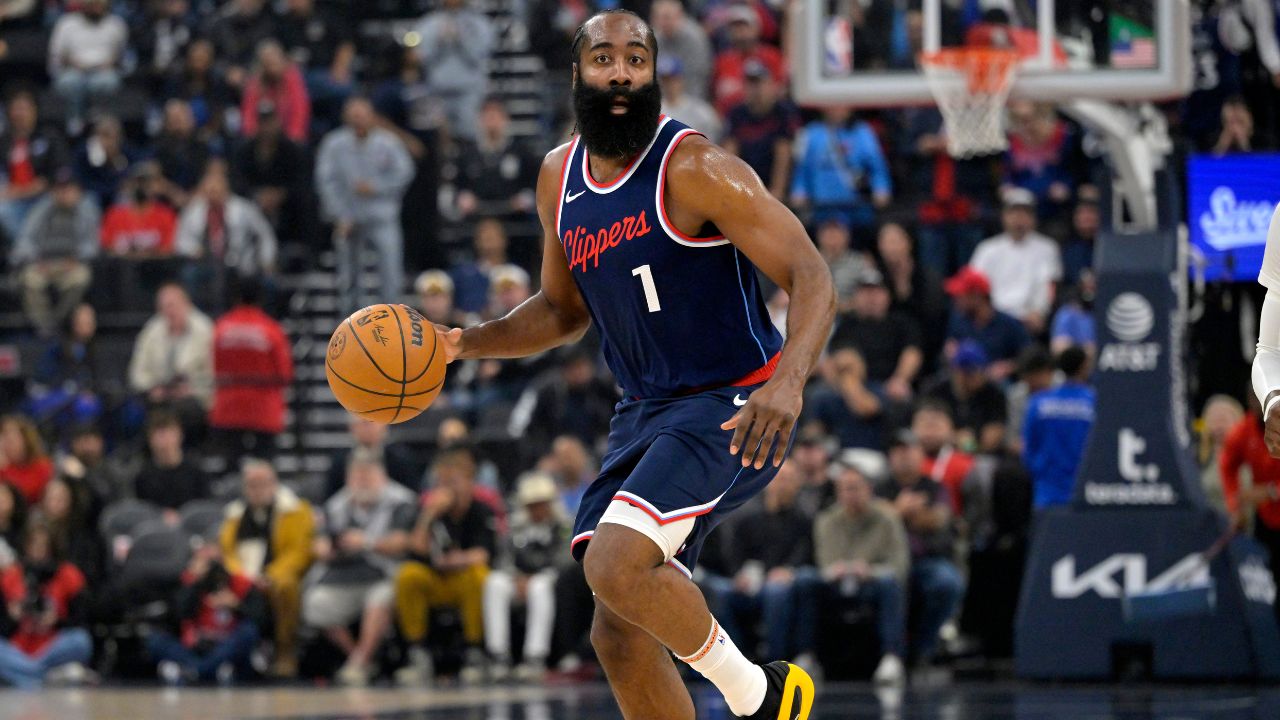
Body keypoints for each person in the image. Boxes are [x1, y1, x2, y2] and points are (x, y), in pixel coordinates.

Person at [431, 11, 834, 718]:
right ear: (578, 74)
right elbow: (561, 312)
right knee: (617, 632)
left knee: (613, 563)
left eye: (636, 60)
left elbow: (811, 274)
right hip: (644, 412)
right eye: (604, 59)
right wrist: (464, 343)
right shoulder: (559, 177)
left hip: (733, 402)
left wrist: (788, 383)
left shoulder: (697, 169)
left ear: (654, 74)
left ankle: (764, 697)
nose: (620, 72)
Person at [304, 456, 416, 686]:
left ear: (382, 476)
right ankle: (359, 657)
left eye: (368, 475)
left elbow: (403, 542)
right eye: (357, 475)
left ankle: (359, 661)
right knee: (315, 604)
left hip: (385, 572)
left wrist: (366, 542)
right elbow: (319, 544)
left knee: (381, 598)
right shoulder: (336, 504)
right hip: (343, 575)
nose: (362, 481)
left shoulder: (402, 501)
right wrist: (327, 549)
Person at [394, 446, 497, 685]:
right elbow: (416, 547)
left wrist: (456, 560)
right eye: (442, 482)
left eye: (453, 481)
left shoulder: (481, 509)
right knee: (408, 575)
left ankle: (475, 651)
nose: (447, 488)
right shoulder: (431, 509)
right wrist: (429, 514)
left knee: (478, 575)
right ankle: (417, 652)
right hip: (437, 580)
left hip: (464, 579)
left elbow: (484, 554)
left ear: (470, 481)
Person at [704, 460, 819, 666]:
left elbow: (806, 553)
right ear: (769, 481)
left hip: (783, 582)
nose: (783, 485)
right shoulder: (748, 517)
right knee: (718, 591)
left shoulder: (804, 520)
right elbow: (734, 555)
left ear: (797, 485)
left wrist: (788, 571)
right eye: (780, 479)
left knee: (776, 591)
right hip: (749, 582)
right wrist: (738, 575)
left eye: (789, 480)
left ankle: (774, 661)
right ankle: (736, 659)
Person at [813, 459, 910, 686]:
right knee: (806, 582)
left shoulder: (888, 518)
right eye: (845, 488)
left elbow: (900, 566)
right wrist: (836, 570)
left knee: (890, 583)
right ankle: (806, 656)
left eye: (856, 487)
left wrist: (870, 571)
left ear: (869, 489)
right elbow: (824, 565)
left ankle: (891, 658)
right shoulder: (826, 520)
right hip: (835, 587)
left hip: (872, 585)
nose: (851, 493)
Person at [316, 97, 415, 314]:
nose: (358, 120)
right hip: (349, 218)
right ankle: (350, 327)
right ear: (346, 118)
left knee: (390, 273)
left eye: (362, 115)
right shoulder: (334, 144)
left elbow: (405, 171)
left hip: (382, 217)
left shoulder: (388, 142)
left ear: (371, 117)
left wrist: (377, 186)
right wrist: (339, 214)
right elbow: (326, 182)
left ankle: (392, 320)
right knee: (349, 277)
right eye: (354, 116)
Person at [218, 459, 313, 678]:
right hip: (244, 577)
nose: (258, 490)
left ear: (275, 483)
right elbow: (227, 552)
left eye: (263, 483)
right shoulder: (234, 515)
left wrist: (270, 576)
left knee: (284, 587)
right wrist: (243, 577)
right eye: (252, 484)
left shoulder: (296, 511)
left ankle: (285, 650)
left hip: (277, 576)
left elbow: (299, 552)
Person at [876, 430, 965, 665]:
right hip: (885, 561)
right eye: (898, 450)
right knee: (889, 582)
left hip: (925, 559)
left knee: (948, 582)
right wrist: (901, 511)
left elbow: (938, 520)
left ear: (920, 455)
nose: (904, 456)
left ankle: (924, 646)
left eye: (909, 450)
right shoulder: (879, 486)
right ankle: (890, 653)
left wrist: (894, 512)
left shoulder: (936, 487)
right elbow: (874, 520)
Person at [482, 471, 565, 682]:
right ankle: (498, 654)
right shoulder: (514, 528)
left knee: (540, 586)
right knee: (494, 583)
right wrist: (515, 576)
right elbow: (503, 558)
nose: (537, 509)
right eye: (532, 504)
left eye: (541, 503)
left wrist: (538, 575)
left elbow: (565, 561)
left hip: (549, 579)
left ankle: (534, 656)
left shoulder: (563, 527)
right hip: (518, 579)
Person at [146, 544, 267, 685]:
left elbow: (261, 622)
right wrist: (194, 584)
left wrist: (236, 606)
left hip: (226, 645)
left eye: (213, 560)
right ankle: (206, 669)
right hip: (197, 645)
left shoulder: (241, 584)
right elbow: (179, 616)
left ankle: (196, 671)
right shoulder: (189, 583)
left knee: (248, 632)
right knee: (155, 640)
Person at [208, 277, 293, 461]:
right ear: (261, 298)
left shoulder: (221, 328)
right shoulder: (272, 330)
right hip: (264, 410)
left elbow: (214, 368)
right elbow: (285, 373)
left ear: (235, 297)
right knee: (265, 467)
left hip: (229, 408)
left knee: (230, 468)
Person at [0, 520, 92, 688]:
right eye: (34, 545)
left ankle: (24, 675)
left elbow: (81, 621)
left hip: (53, 647)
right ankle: (43, 675)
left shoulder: (69, 575)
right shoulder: (10, 576)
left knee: (81, 640)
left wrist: (55, 620)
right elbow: (3, 629)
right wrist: (12, 617)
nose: (39, 551)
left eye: (44, 546)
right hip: (17, 648)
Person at [176, 164, 278, 307]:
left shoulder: (243, 208)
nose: (213, 195)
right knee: (189, 274)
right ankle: (197, 315)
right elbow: (180, 240)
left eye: (216, 190)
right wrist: (193, 250)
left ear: (225, 190)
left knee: (267, 282)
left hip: (240, 262)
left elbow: (265, 234)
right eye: (209, 191)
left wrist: (266, 260)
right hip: (206, 262)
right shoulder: (194, 211)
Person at [12, 169, 98, 337]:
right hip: (43, 263)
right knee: (30, 280)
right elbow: (24, 240)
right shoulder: (43, 208)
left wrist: (76, 258)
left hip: (72, 263)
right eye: (59, 189)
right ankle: (45, 329)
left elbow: (92, 245)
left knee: (80, 278)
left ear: (77, 191)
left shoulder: (86, 209)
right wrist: (35, 260)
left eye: (68, 189)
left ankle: (60, 322)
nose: (63, 193)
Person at [969, 189, 1063, 334]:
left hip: (1029, 318)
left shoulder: (1047, 248)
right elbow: (975, 285)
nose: (1019, 218)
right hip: (993, 318)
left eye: (1025, 213)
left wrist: (1039, 311)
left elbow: (1049, 286)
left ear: (1033, 218)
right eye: (1014, 212)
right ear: (1004, 216)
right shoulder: (987, 249)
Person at [127, 283, 214, 433]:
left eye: (172, 305)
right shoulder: (151, 331)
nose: (168, 311)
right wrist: (152, 388)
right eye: (163, 307)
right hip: (158, 395)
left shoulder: (205, 330)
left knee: (183, 410)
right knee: (133, 410)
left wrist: (192, 389)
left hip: (193, 397)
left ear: (186, 304)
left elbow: (212, 374)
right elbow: (137, 372)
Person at [789, 108, 892, 235]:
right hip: (821, 204)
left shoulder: (862, 131)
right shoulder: (810, 132)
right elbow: (802, 168)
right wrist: (799, 190)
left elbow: (876, 165)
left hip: (854, 205)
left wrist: (881, 187)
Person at [829, 268, 922, 400]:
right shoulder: (847, 325)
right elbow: (837, 357)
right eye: (865, 291)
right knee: (819, 397)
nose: (871, 297)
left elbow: (913, 353)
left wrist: (900, 379)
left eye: (877, 291)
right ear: (855, 296)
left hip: (889, 385)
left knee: (903, 397)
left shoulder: (901, 323)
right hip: (853, 387)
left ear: (888, 295)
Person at [1022, 347, 1095, 510]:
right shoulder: (1094, 403)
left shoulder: (1038, 403)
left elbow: (1028, 449)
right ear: (1083, 367)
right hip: (1084, 491)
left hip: (1046, 491)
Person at [414, 0, 495, 139]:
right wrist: (439, 42)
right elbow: (420, 57)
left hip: (469, 92)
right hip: (437, 91)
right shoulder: (428, 23)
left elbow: (482, 55)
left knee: (471, 136)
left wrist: (461, 40)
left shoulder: (479, 23)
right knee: (437, 137)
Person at [722, 61, 800, 202]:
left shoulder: (782, 112)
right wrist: (734, 189)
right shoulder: (736, 113)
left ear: (771, 85)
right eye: (751, 84)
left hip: (774, 185)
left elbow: (783, 153)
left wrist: (776, 193)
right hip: (745, 184)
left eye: (759, 83)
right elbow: (730, 152)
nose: (755, 89)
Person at [454, 97, 539, 220]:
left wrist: (526, 198)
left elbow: (535, 182)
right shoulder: (466, 153)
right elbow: (457, 185)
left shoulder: (522, 152)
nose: (492, 120)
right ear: (479, 120)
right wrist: (462, 197)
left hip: (514, 220)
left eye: (496, 115)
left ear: (505, 119)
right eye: (487, 115)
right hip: (476, 219)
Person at [47, 0, 127, 132]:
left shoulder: (116, 24)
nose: (96, 8)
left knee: (106, 82)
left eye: (100, 5)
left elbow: (123, 56)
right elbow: (56, 55)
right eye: (93, 4)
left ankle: (98, 120)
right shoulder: (67, 23)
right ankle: (74, 122)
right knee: (69, 82)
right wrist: (70, 62)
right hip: (73, 70)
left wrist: (112, 62)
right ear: (84, 5)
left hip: (104, 71)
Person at [0, 88, 68, 242]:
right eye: (16, 109)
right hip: (12, 199)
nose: (19, 114)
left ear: (34, 112)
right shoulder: (4, 141)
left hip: (43, 196)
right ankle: (26, 249)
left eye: (24, 109)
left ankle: (29, 250)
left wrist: (40, 186)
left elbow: (60, 169)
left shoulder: (49, 136)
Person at [944, 266, 1031, 381]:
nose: (957, 300)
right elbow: (951, 347)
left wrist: (1009, 367)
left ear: (977, 296)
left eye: (961, 295)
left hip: (1001, 387)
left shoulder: (1008, 325)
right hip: (966, 382)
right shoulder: (959, 322)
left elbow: (1030, 359)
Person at [923, 341, 1009, 455]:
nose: (981, 377)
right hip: (938, 453)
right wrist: (954, 438)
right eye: (975, 373)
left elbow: (990, 441)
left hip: (978, 457)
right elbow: (925, 428)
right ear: (960, 373)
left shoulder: (994, 394)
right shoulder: (935, 391)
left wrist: (969, 445)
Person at [805, 348, 886, 451]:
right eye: (841, 369)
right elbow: (814, 429)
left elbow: (866, 409)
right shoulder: (825, 396)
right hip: (835, 455)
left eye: (848, 368)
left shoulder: (875, 388)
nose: (845, 374)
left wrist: (848, 382)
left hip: (868, 453)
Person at [131, 410, 210, 515]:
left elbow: (205, 507)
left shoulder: (197, 471)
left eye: (170, 434)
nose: (165, 441)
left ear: (180, 435)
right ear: (150, 440)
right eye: (160, 435)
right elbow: (140, 510)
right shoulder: (142, 476)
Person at [325, 417, 422, 500]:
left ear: (384, 426)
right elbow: (329, 497)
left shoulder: (400, 456)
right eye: (363, 423)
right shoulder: (340, 459)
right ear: (352, 427)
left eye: (371, 423)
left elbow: (413, 494)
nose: (367, 429)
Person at [99, 162, 178, 258]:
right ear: (130, 184)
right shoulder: (114, 214)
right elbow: (106, 248)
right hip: (121, 269)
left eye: (148, 183)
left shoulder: (165, 215)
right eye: (139, 182)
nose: (143, 187)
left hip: (155, 268)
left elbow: (167, 250)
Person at [239, 40, 311, 145]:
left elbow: (300, 109)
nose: (273, 68)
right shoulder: (255, 83)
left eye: (275, 62)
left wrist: (294, 135)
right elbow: (248, 113)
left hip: (287, 134)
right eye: (268, 63)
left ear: (282, 60)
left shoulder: (293, 78)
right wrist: (251, 136)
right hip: (261, 137)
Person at [912, 400, 975, 516]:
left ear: (951, 430)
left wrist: (969, 445)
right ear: (912, 429)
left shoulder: (963, 464)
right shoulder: (904, 462)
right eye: (924, 424)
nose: (929, 431)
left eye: (936, 425)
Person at [650, 0, 712, 101]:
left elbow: (697, 78)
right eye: (658, 18)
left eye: (667, 17)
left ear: (679, 16)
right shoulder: (653, 38)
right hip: (662, 100)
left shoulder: (695, 38)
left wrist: (682, 108)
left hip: (691, 98)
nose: (663, 22)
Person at [1199, 395, 1245, 516]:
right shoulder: (1195, 457)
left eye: (1223, 420)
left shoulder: (1251, 456)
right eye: (1213, 420)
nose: (1218, 426)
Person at [658, 57, 722, 141]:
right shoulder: (654, 110)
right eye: (665, 80)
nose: (669, 84)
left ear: (681, 80)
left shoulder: (701, 110)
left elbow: (714, 136)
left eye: (672, 79)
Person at [0, 415, 53, 504]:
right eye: (4, 440)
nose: (6, 445)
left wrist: (5, 470)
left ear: (26, 440)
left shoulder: (42, 466)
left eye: (11, 441)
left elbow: (23, 496)